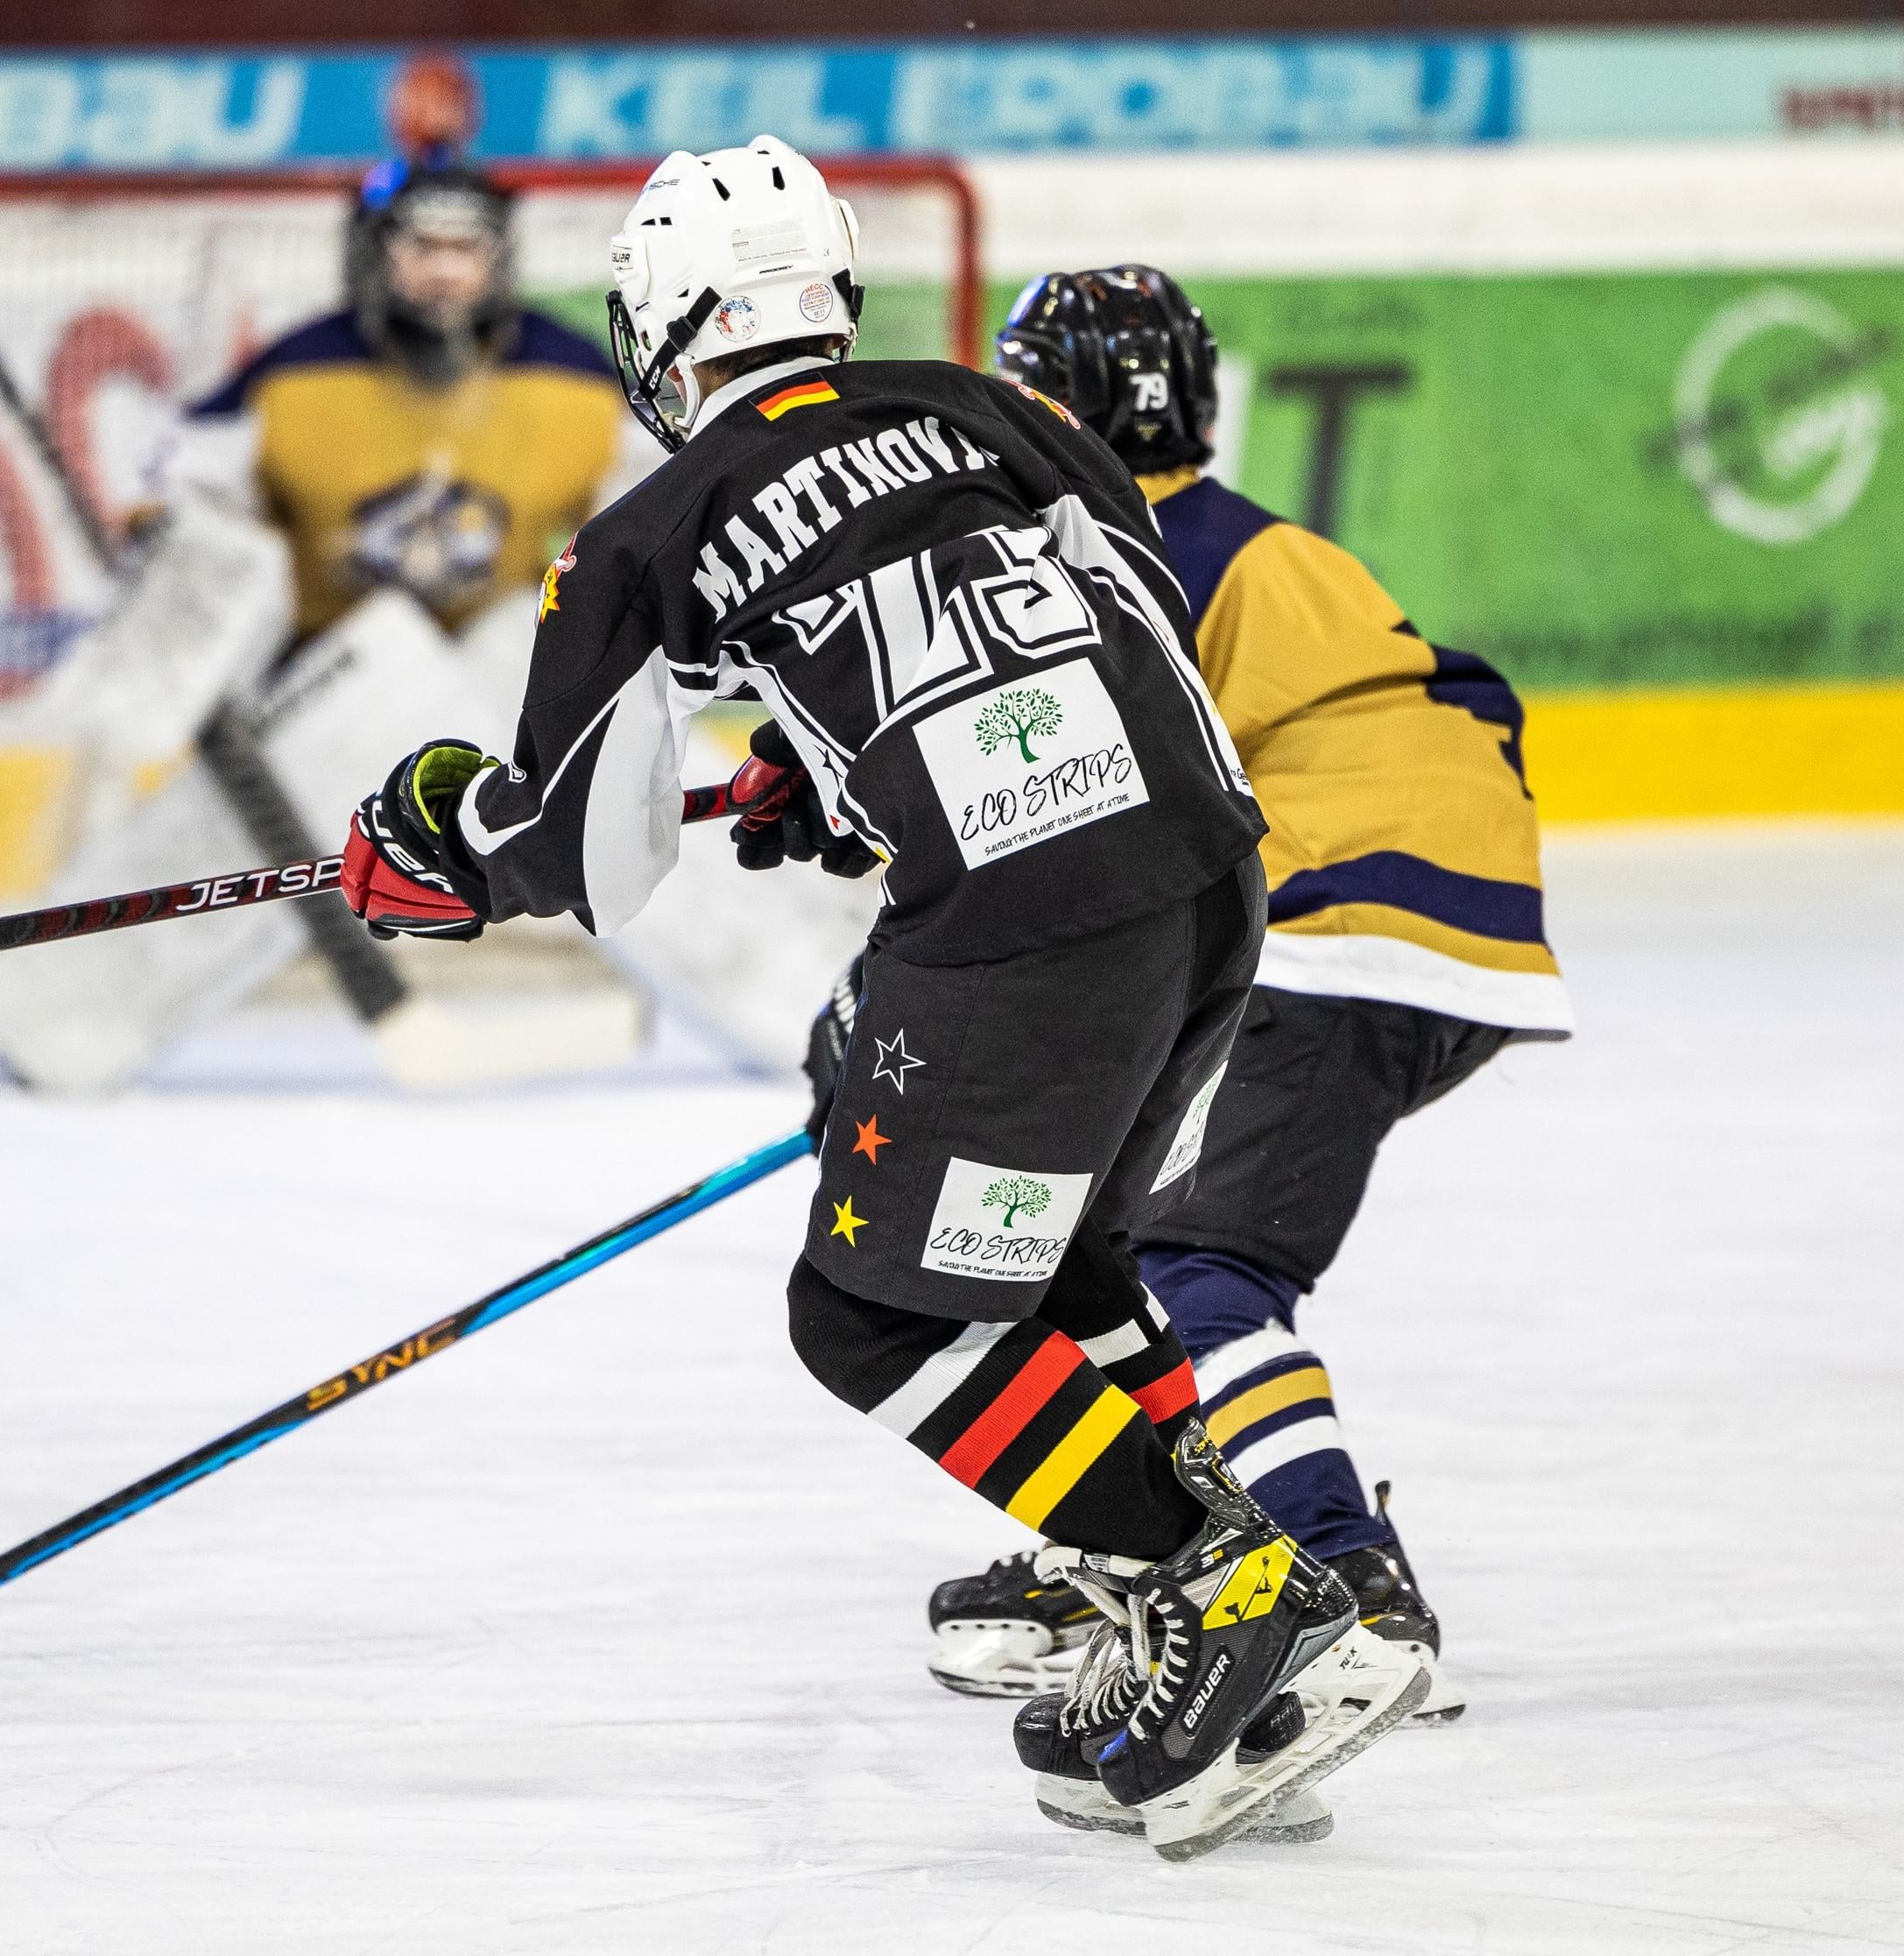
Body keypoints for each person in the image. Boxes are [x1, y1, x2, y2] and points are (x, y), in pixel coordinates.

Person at [334, 139, 1429, 1856]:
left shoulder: (652, 531)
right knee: (1060, 1267)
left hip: (1024, 934)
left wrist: (433, 842)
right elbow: (1110, 620)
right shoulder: (994, 412)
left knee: (877, 1312)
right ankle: (1252, 1602)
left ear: (658, 326)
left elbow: (573, 855)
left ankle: (1227, 1587)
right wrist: (842, 768)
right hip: (1206, 884)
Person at [920, 267, 1572, 1723]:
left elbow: (1077, 812)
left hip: (1321, 923)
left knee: (1193, 1271)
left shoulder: (1094, 553)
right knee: (1109, 1237)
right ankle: (1141, 1538)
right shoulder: (1267, 547)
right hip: (1453, 929)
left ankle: (1341, 1577)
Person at [180, 152, 638, 646]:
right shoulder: (290, 375)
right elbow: (182, 510)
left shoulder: (577, 378)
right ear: (373, 251)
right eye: (422, 247)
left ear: (498, 254)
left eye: (464, 248)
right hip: (322, 665)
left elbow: (637, 544)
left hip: (503, 667)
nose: (444, 272)